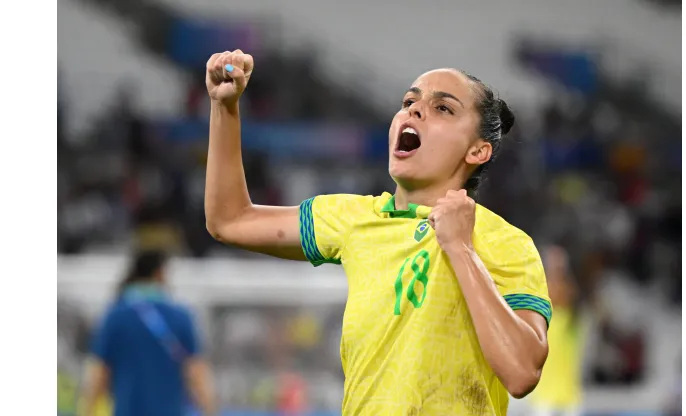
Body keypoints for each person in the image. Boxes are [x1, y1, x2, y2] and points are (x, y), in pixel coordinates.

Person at [204, 50, 551, 415]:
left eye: (443, 108)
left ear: (478, 150)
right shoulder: (352, 218)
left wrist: (460, 248)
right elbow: (229, 220)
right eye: (409, 101)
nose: (414, 110)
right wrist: (225, 108)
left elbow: (522, 372)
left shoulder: (505, 242)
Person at [80, 250, 216, 416]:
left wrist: (87, 409)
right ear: (159, 273)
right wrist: (209, 410)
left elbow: (99, 372)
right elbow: (197, 371)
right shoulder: (181, 317)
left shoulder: (115, 316)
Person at [528, 245, 584, 416]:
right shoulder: (537, 318)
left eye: (560, 272)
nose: (557, 283)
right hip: (543, 397)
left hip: (570, 396)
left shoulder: (574, 320)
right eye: (553, 273)